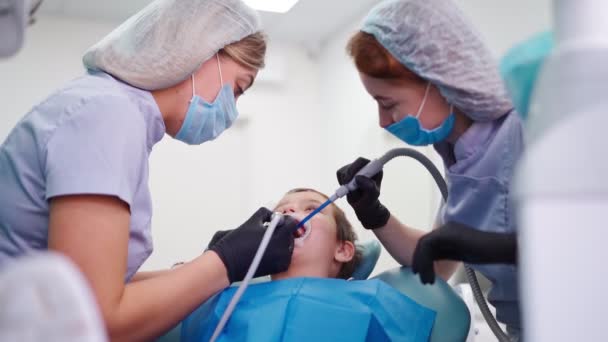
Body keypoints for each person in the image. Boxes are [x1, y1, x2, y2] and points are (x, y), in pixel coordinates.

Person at [0, 1, 296, 340]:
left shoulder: (111, 109)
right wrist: (224, 262)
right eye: (238, 89)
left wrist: (204, 267)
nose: (231, 112)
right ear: (201, 50)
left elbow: (104, 284)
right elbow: (93, 317)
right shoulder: (108, 115)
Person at [336, 0, 524, 338]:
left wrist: (496, 246)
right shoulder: (457, 156)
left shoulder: (528, 127)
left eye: (387, 103)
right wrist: (375, 214)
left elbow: (586, 241)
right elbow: (435, 264)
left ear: (438, 78)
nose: (383, 120)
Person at [180, 189, 436, 342]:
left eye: (312, 208)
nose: (291, 209)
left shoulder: (376, 298)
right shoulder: (227, 300)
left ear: (343, 250)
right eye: (281, 210)